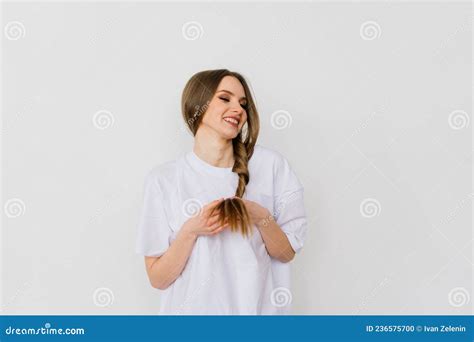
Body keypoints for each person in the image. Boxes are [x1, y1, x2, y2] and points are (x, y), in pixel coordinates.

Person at [135, 69, 308, 314]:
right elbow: (158, 278)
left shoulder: (271, 166)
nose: (237, 109)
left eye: (243, 103)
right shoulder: (164, 180)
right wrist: (191, 230)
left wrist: (260, 216)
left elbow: (286, 253)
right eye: (225, 98)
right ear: (198, 104)